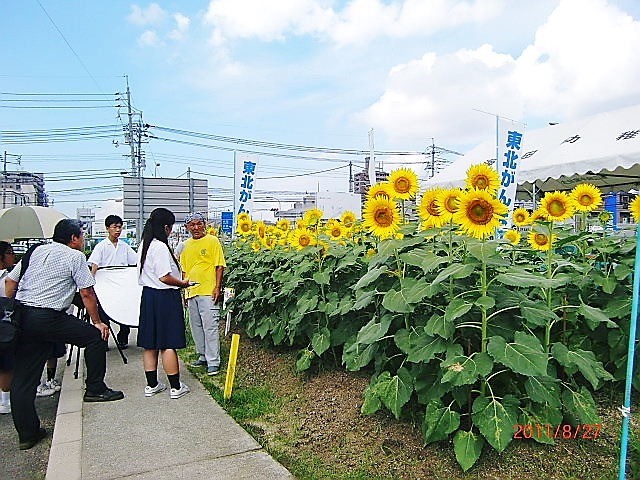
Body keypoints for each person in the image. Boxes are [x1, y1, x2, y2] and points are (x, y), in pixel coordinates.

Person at [5, 219, 124, 450]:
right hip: (50, 317)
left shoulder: (35, 251)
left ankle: (28, 435)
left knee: (24, 379)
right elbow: (87, 293)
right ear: (73, 239)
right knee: (94, 337)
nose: (83, 239)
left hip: (23, 317)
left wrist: (14, 308)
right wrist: (98, 322)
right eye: (81, 235)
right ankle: (96, 389)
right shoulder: (75, 256)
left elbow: (11, 281)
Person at [137, 208, 191, 399]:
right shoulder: (159, 246)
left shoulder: (144, 244)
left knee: (150, 343)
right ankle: (176, 387)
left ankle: (152, 385)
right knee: (168, 343)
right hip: (165, 297)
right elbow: (165, 277)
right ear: (166, 227)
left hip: (148, 297)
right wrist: (183, 283)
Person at [180, 212, 226, 376]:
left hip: (208, 291)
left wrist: (217, 288)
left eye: (199, 223)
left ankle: (214, 361)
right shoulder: (185, 245)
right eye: (192, 224)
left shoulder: (213, 241)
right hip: (192, 291)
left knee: (210, 326)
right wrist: (185, 292)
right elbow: (184, 271)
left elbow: (219, 266)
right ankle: (203, 356)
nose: (196, 227)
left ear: (205, 224)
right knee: (196, 326)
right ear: (187, 228)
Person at [87, 214, 138, 348]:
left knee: (124, 309)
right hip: (105, 285)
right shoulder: (101, 246)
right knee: (104, 312)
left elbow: (135, 262)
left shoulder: (124, 246)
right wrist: (90, 283)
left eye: (120, 227)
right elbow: (94, 265)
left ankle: (123, 338)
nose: (118, 230)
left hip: (122, 284)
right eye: (115, 227)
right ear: (107, 228)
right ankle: (104, 340)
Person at [0, 241, 17, 415]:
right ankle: (5, 400)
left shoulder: (10, 274)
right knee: (6, 364)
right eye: (10, 252)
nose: (13, 255)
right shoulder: (9, 278)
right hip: (5, 324)